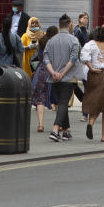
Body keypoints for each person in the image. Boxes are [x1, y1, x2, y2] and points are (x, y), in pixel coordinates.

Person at [43, 14, 81, 143]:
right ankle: (55, 129)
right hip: (68, 77)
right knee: (63, 103)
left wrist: (54, 72)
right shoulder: (74, 40)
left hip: (54, 78)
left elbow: (46, 58)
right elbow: (74, 58)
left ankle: (65, 131)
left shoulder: (51, 41)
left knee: (61, 102)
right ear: (70, 24)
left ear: (59, 25)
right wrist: (63, 73)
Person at [31, 26, 57, 132]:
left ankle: (40, 124)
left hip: (41, 71)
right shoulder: (55, 43)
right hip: (53, 71)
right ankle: (58, 124)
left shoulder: (41, 42)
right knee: (56, 99)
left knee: (40, 98)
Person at [0, 0, 30, 66]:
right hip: (8, 39)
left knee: (18, 58)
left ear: (21, 8)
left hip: (19, 40)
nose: (14, 8)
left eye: (16, 6)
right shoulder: (9, 16)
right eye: (13, 6)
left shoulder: (26, 17)